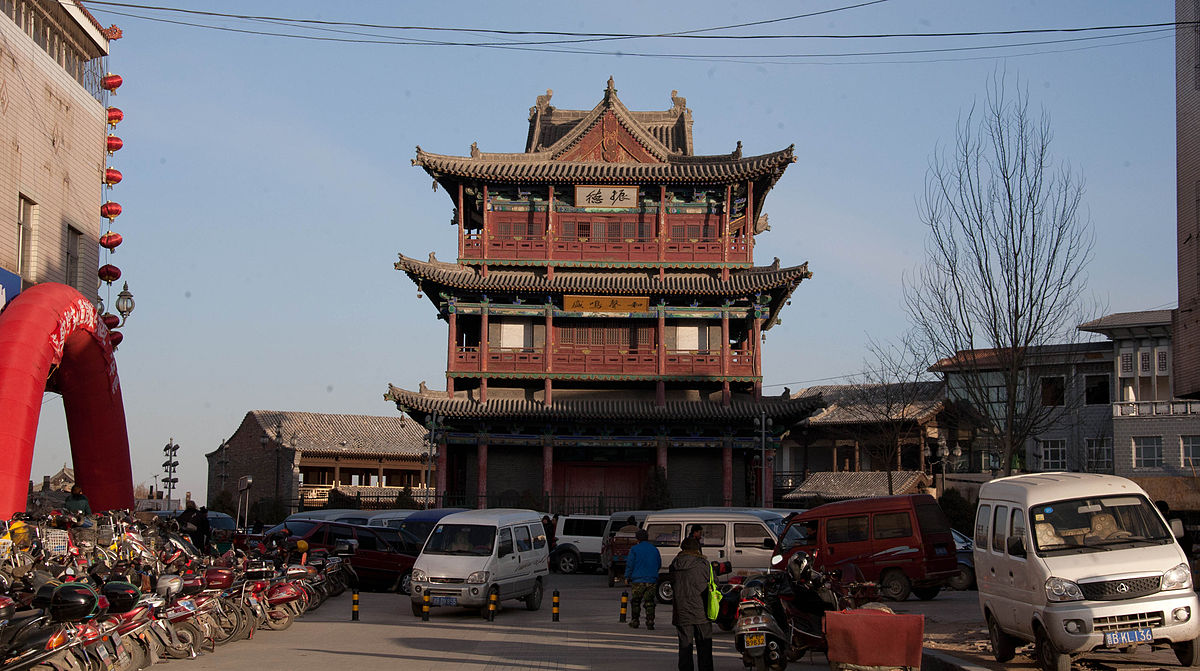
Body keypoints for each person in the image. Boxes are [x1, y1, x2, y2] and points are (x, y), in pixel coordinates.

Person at [670, 537, 714, 671]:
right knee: (705, 648)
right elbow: (714, 584)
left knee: (685, 647)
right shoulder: (704, 564)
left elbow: (673, 584)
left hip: (681, 612)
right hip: (702, 612)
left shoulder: (674, 564)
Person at [624, 529, 661, 629]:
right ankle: (650, 621)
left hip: (638, 580)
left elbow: (630, 564)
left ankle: (635, 621)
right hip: (651, 580)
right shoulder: (654, 549)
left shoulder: (634, 549)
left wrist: (627, 577)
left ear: (637, 538)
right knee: (649, 602)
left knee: (636, 601)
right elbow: (658, 564)